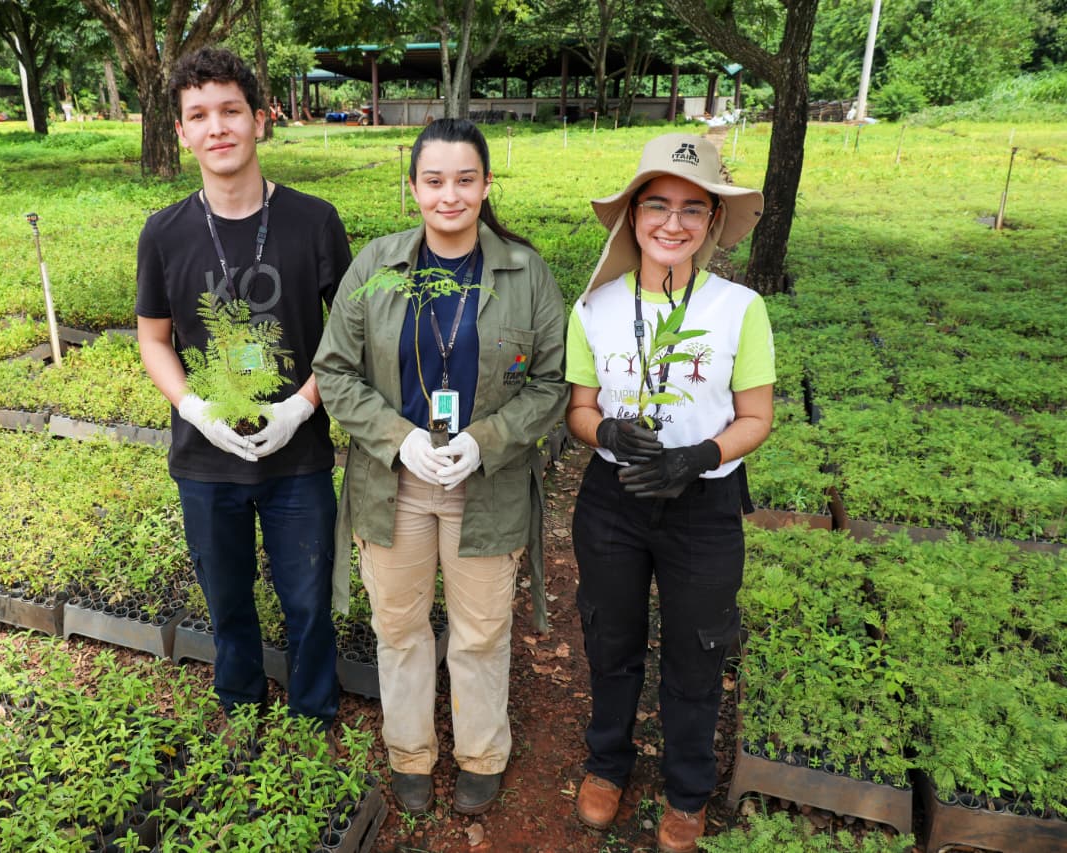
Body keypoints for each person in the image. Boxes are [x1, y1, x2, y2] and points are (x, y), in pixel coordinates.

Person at [313, 118, 567, 816]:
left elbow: (553, 381)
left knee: (481, 630)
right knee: (398, 627)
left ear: (486, 186)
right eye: (434, 180)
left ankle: (482, 752)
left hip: (486, 488)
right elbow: (333, 370)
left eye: (465, 179)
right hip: (392, 485)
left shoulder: (525, 273)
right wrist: (397, 437)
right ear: (413, 186)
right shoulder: (375, 268)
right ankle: (410, 751)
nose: (449, 195)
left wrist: (486, 440)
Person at [565, 133, 773, 853]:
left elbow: (757, 417)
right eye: (657, 205)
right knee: (611, 637)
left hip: (704, 507)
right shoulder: (594, 307)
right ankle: (607, 763)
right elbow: (578, 409)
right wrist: (609, 434)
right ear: (632, 215)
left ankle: (687, 791)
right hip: (613, 501)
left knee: (696, 649)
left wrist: (700, 455)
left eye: (693, 208)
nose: (673, 223)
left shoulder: (740, 308)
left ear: (713, 220)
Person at [135, 47, 351, 732]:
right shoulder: (164, 232)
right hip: (206, 460)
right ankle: (242, 706)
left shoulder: (314, 220)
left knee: (308, 598)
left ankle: (315, 711)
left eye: (231, 110)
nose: (217, 127)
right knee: (227, 599)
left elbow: (350, 338)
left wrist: (302, 406)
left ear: (261, 119)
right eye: (198, 115)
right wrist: (192, 407)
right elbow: (153, 337)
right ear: (180, 132)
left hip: (300, 457)